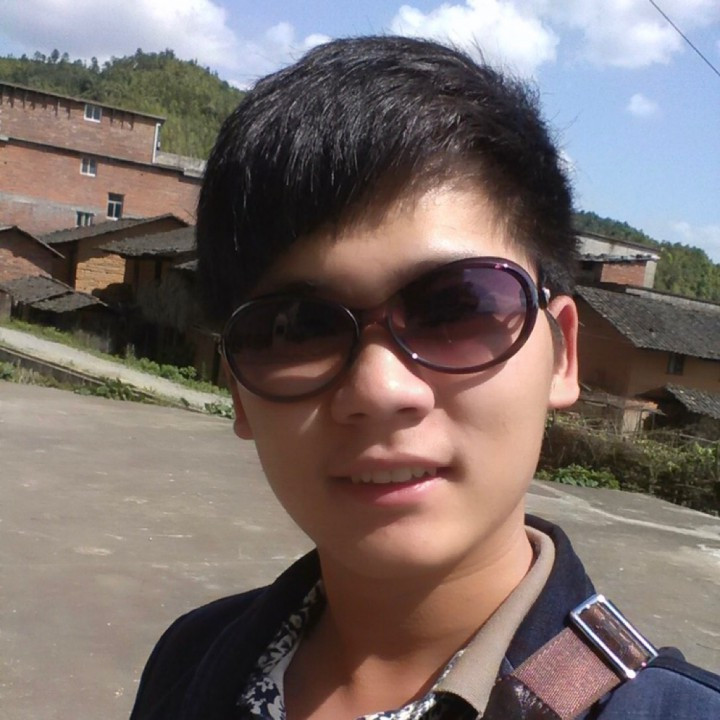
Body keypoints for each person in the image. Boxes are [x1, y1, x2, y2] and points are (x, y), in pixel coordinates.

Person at [129, 36, 720, 720]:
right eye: (297, 328)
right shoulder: (190, 659)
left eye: (456, 307)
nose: (378, 390)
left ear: (562, 355)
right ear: (237, 389)